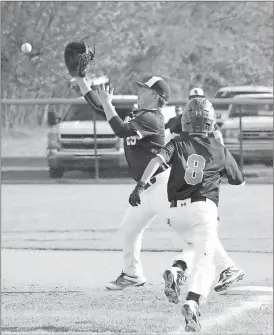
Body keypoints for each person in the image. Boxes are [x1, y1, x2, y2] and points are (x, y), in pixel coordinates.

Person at [74, 77, 244, 293]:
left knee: (194, 232)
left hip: (163, 185)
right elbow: (100, 107)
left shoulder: (152, 119)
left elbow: (120, 130)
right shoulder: (138, 114)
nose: (138, 91)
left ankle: (228, 267)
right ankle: (132, 274)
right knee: (128, 230)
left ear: (155, 96)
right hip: (146, 189)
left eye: (143, 88)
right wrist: (81, 80)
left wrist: (108, 103)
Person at [128, 98, 245, 332]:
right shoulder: (218, 148)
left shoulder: (178, 142)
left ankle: (177, 268)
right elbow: (238, 180)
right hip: (204, 208)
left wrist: (141, 185)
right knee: (207, 261)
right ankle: (192, 301)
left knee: (196, 244)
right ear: (211, 122)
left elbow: (156, 160)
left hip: (175, 212)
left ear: (186, 121)